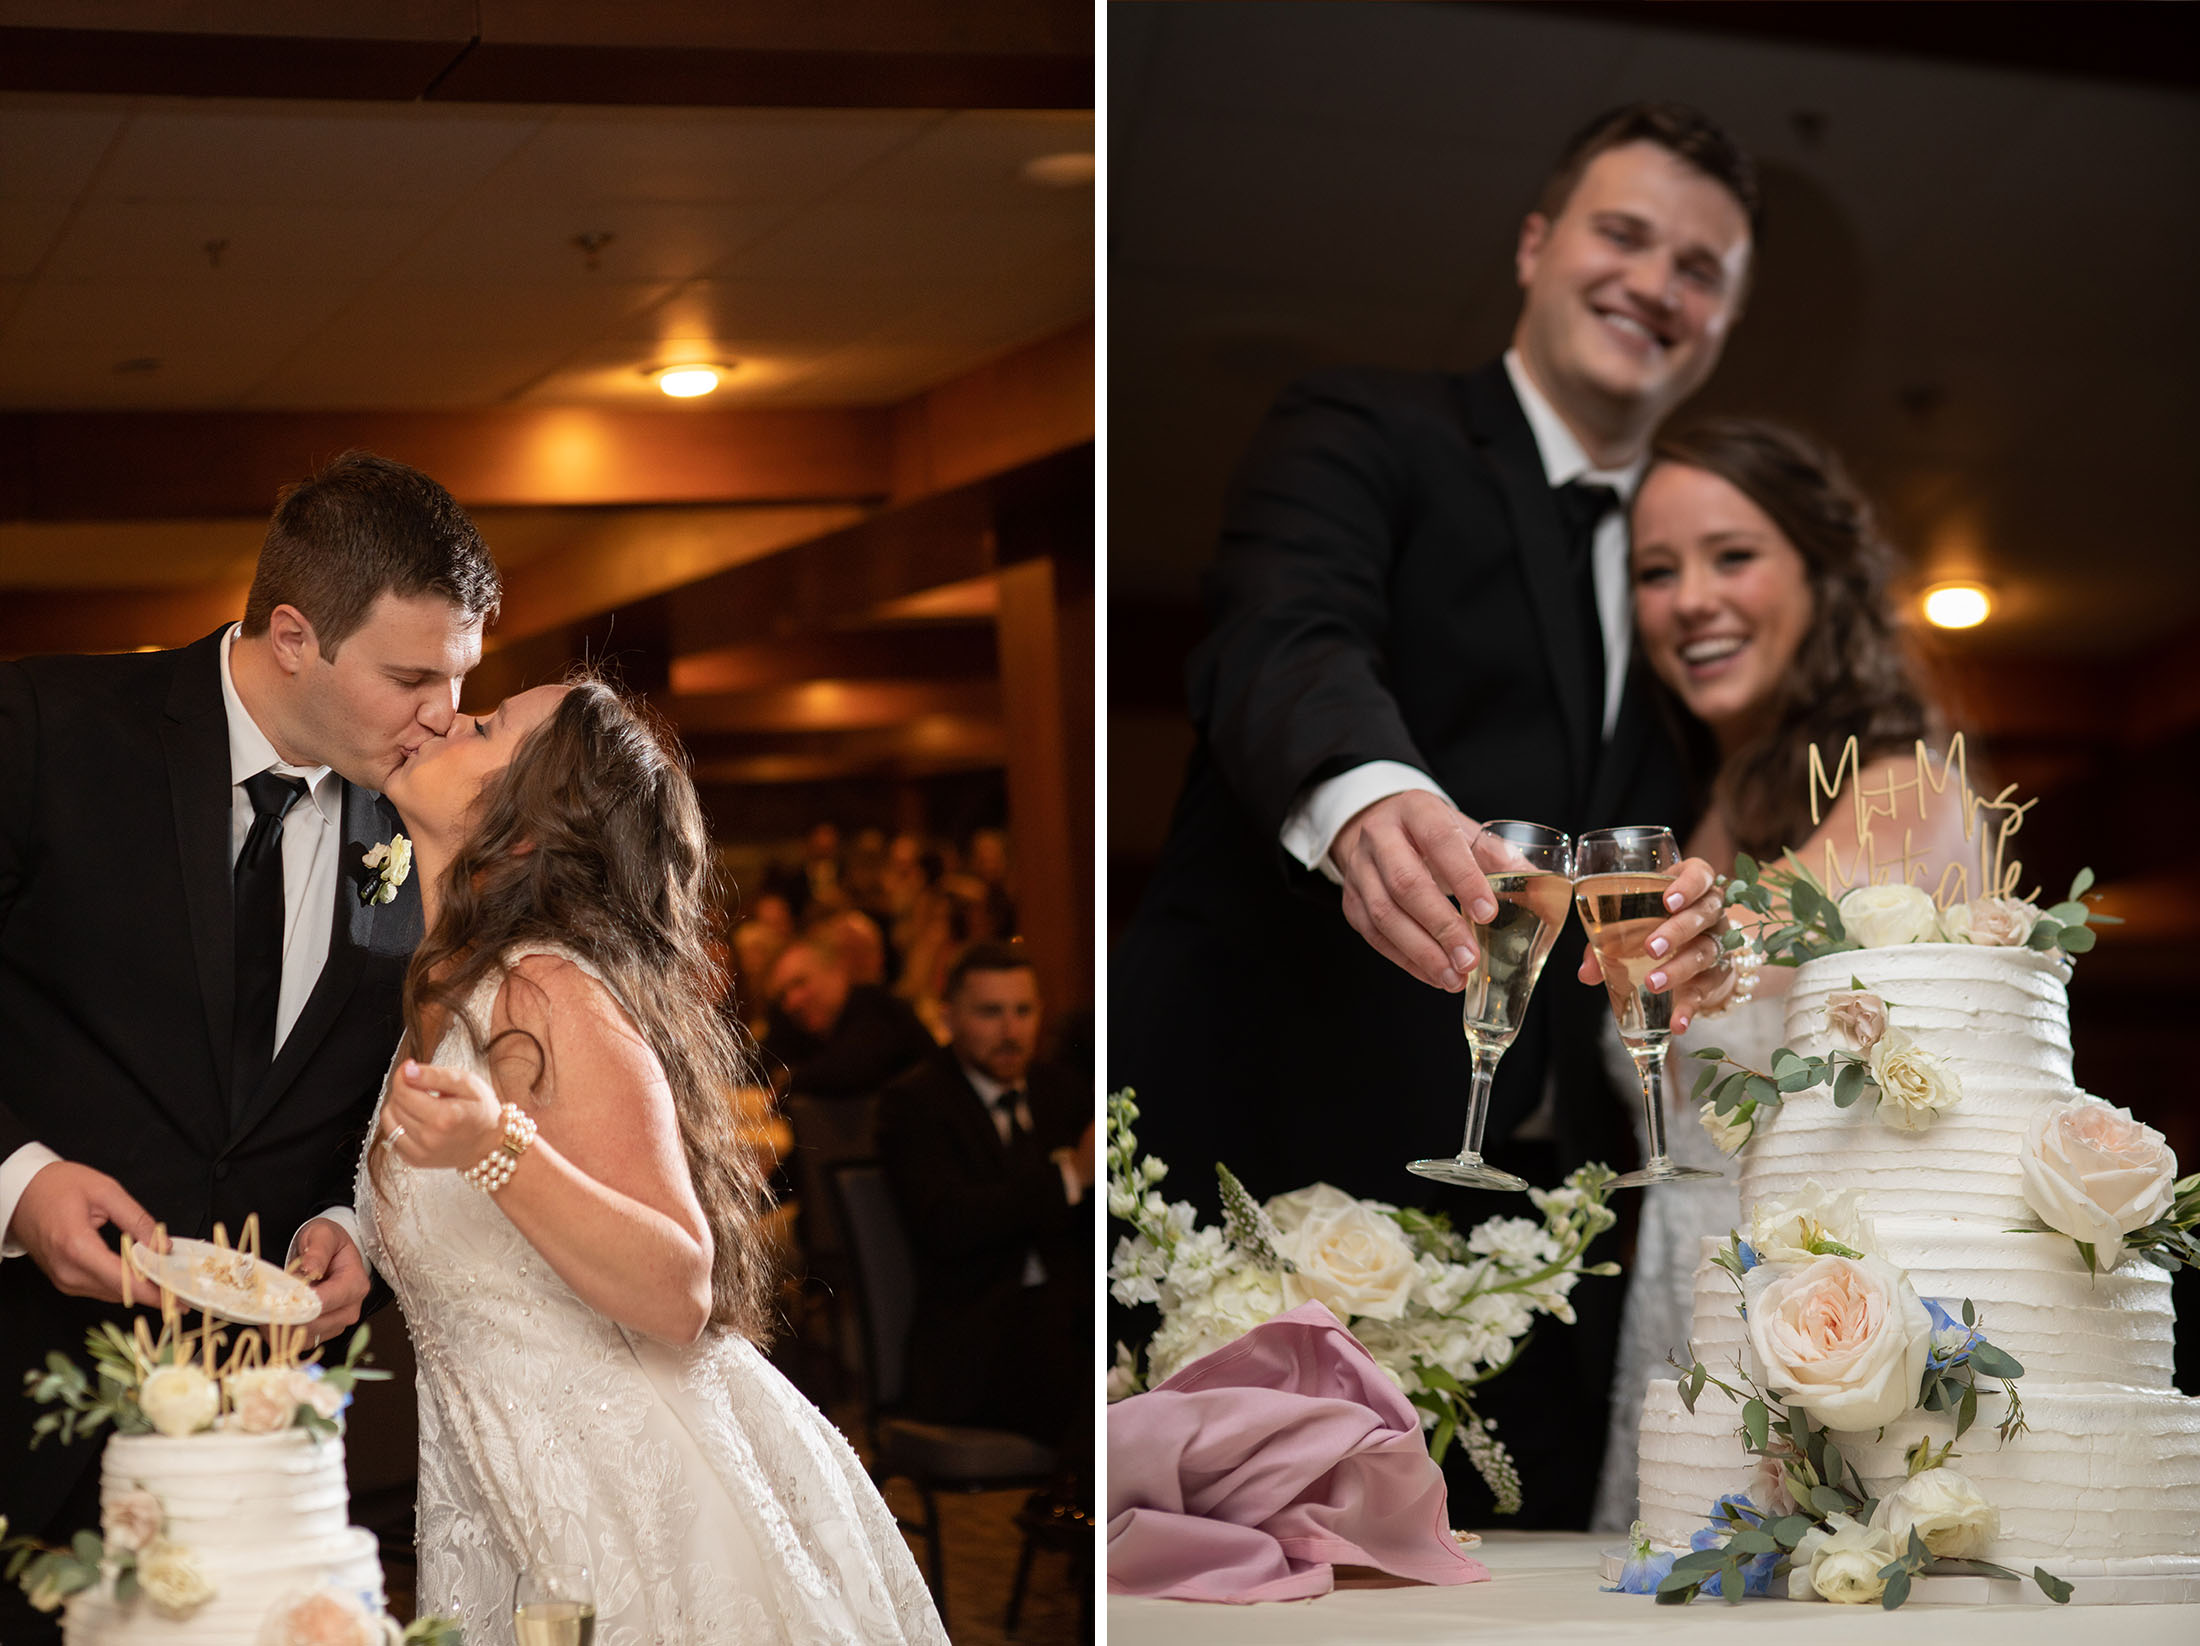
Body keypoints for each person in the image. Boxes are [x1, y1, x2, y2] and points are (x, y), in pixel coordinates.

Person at [1108, 102, 1758, 1525]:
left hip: (1553, 1219)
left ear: (1722, 321)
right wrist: (1370, 798)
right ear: (1536, 244)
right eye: (1625, 234)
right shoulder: (1363, 426)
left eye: (1700, 268)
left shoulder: (1696, 579)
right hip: (1282, 1147)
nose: (1657, 282)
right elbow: (1286, 634)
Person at [0, 452, 498, 1646]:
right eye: (409, 674)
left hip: (258, 1448)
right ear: (292, 634)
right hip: (18, 1382)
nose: (442, 711)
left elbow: (375, 1098)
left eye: (461, 676)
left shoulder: (423, 829)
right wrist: (14, 1183)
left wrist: (353, 1221)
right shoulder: (41, 728)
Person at [361, 677, 946, 1644]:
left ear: (522, 828)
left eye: (491, 724)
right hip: (502, 1499)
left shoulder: (545, 989)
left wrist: (494, 1149)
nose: (455, 717)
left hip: (631, 1503)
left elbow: (679, 1284)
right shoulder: (447, 987)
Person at [1588, 418, 1965, 1531]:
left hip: (1828, 1319)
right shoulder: (1708, 798)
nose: (1690, 598)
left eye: (1731, 555)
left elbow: (1742, 928)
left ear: (1821, 573)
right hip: (1680, 1294)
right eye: (1657, 571)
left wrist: (1527, 885)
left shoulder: (1905, 783)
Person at [877, 943, 1094, 1452]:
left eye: (1024, 1011)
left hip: (1065, 1322)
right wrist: (1068, 1179)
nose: (1011, 1030)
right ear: (949, 1017)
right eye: (990, 1012)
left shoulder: (1061, 1092)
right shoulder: (915, 1103)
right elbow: (948, 1224)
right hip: (973, 1346)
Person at [762, 931, 936, 1098]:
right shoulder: (801, 1028)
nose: (792, 1002)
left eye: (800, 983)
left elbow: (850, 1071)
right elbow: (760, 1064)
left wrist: (789, 1080)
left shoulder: (876, 1007)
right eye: (782, 995)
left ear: (836, 972)